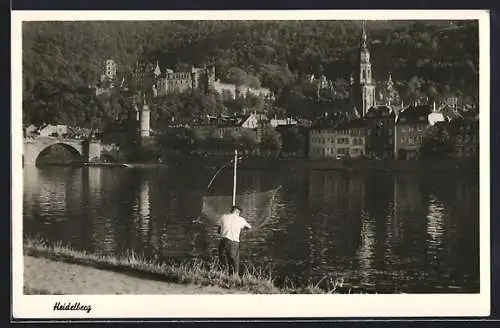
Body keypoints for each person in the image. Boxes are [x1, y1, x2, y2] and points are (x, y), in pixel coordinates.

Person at [218, 205, 251, 275]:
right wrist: (241, 228)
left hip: (223, 241)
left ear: (231, 210)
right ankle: (234, 278)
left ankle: (223, 276)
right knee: (234, 262)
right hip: (234, 242)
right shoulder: (241, 219)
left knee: (223, 261)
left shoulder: (223, 216)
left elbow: (218, 230)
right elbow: (249, 227)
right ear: (238, 212)